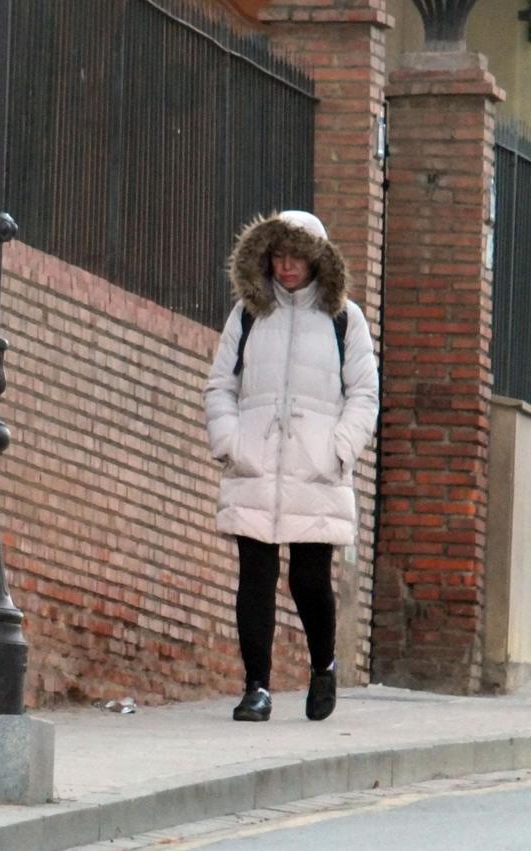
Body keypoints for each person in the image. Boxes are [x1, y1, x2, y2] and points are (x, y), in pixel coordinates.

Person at [203, 210, 379, 722]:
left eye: (296, 257)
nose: (286, 267)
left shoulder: (346, 318)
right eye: (279, 256)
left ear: (317, 260)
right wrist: (231, 442)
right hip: (255, 464)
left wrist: (339, 448)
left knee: (308, 580)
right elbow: (221, 385)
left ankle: (323, 665)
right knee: (254, 577)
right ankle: (256, 686)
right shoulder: (248, 314)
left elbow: (364, 393)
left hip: (317, 467)